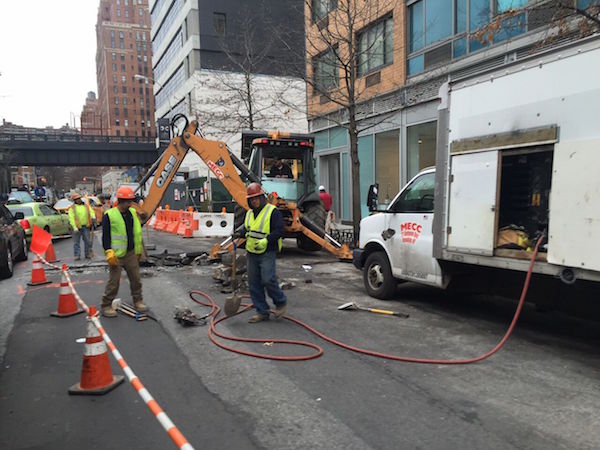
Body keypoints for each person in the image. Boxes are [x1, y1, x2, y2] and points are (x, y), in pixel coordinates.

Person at [240, 182, 287, 323]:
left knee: (268, 279)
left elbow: (280, 230)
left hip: (267, 251)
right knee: (254, 283)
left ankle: (280, 302)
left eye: (257, 198)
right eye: (252, 199)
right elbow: (247, 229)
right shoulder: (249, 213)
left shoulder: (273, 212)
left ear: (262, 197)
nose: (254, 201)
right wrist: (238, 234)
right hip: (252, 252)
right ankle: (262, 311)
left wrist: (267, 240)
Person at [100, 186, 147, 318]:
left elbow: (136, 232)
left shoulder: (132, 213)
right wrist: (108, 251)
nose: (130, 203)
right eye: (127, 201)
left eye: (131, 201)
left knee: (136, 279)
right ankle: (106, 305)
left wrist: (138, 251)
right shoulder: (109, 215)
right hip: (117, 254)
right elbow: (106, 236)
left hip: (131, 253)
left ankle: (138, 300)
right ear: (121, 201)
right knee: (114, 282)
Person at [68, 192, 95, 260]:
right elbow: (71, 218)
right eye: (77, 199)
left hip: (86, 226)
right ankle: (77, 255)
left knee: (87, 241)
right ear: (74, 200)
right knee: (76, 242)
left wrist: (93, 217)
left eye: (79, 198)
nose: (78, 200)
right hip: (77, 228)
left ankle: (87, 254)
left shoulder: (86, 206)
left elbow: (91, 212)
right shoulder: (72, 208)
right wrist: (74, 227)